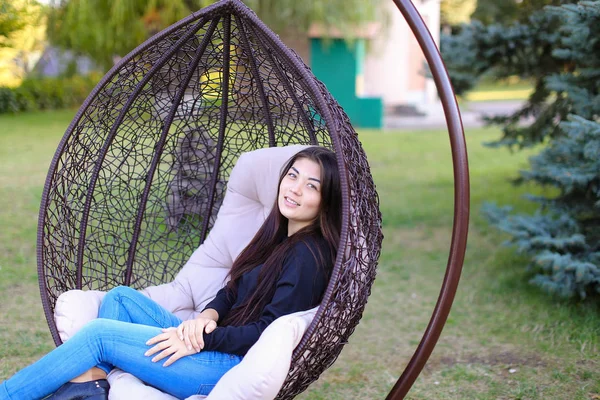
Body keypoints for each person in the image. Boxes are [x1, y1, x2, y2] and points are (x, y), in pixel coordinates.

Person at [0, 146, 342, 400]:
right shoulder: (279, 236)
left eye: (311, 185)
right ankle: (92, 386)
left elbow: (266, 332)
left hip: (221, 366)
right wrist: (207, 316)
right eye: (292, 175)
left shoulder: (307, 256)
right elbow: (232, 291)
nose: (294, 189)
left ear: (326, 200)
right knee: (120, 297)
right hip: (209, 342)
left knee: (98, 335)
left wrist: (200, 338)